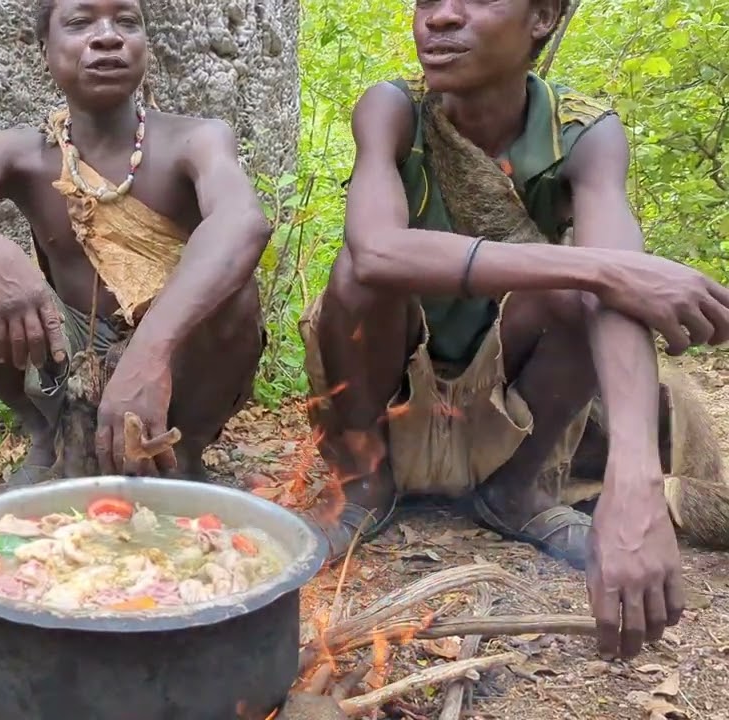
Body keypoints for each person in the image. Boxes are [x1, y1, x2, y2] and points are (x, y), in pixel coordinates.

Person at [298, 0, 729, 662]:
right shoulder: (392, 110)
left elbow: (618, 308)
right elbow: (378, 249)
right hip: (389, 388)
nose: (439, 18)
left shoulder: (583, 132)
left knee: (588, 295)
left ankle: (513, 491)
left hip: (503, 403)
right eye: (426, 2)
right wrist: (606, 266)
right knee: (356, 276)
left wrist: (635, 481)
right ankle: (364, 485)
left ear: (543, 17)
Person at [0, 0, 270, 483]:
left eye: (127, 22)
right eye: (81, 22)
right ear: (45, 49)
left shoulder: (199, 140)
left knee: (233, 290)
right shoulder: (20, 153)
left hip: (176, 351)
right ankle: (46, 433)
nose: (108, 36)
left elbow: (243, 223)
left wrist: (150, 354)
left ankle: (182, 451)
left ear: (146, 45)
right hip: (69, 345)